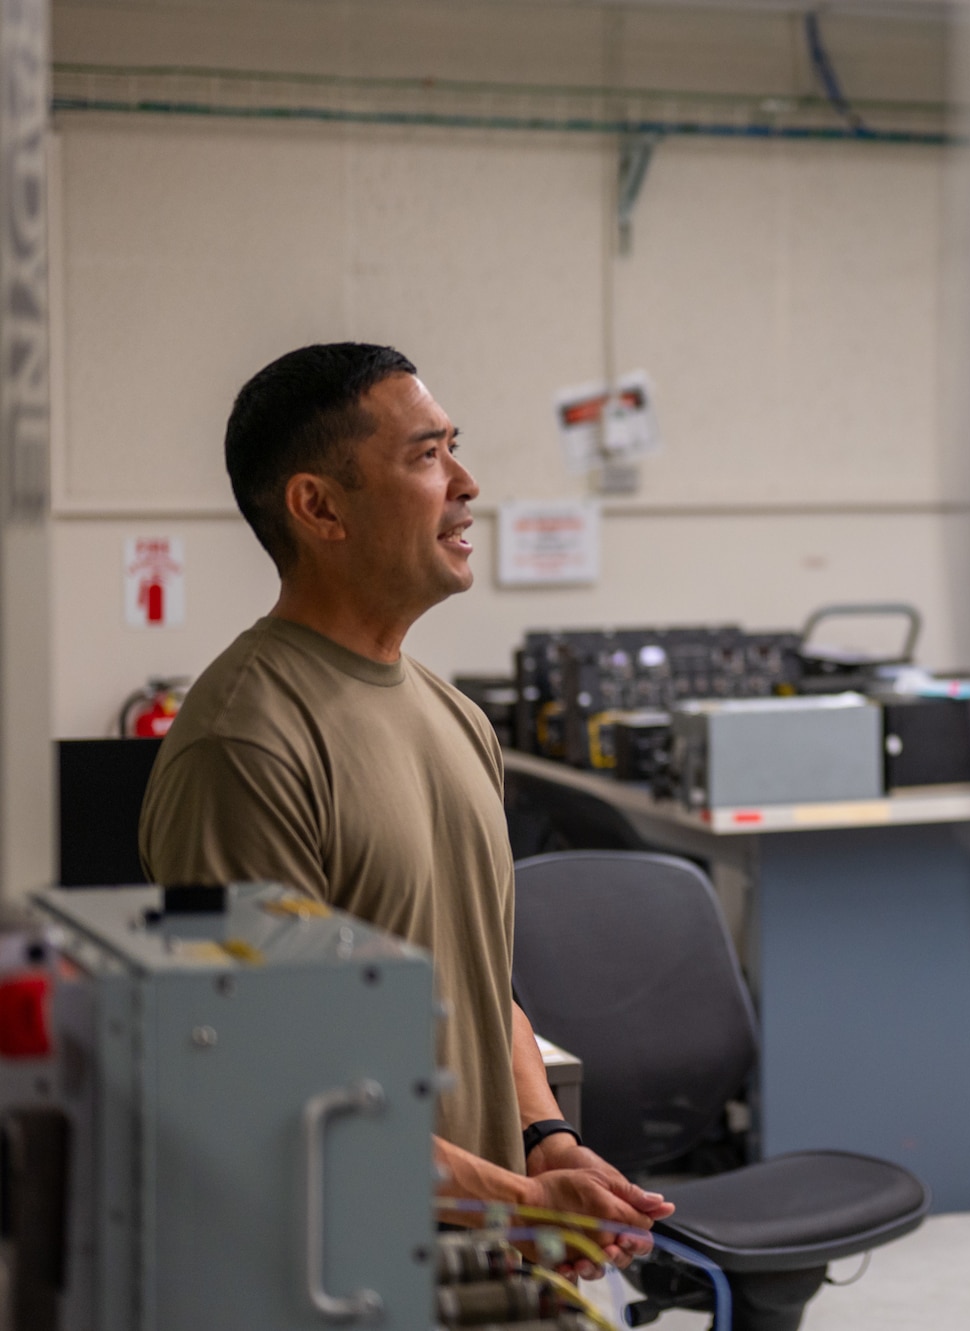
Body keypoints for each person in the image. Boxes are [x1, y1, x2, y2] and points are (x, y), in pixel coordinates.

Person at [139, 343, 672, 1267]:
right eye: (426, 456)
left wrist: (545, 1137)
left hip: (481, 1256)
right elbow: (268, 1085)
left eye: (453, 448)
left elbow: (477, 977)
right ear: (319, 506)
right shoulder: (246, 744)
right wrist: (522, 1199)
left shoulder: (459, 719)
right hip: (338, 1275)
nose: (466, 483)